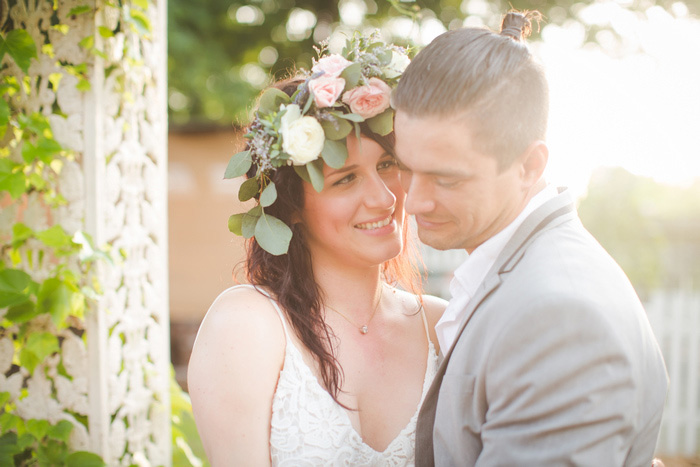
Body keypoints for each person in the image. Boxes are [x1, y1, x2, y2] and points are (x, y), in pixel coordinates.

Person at [391, 11, 669, 466]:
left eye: (446, 179)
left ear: (529, 167)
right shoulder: (520, 272)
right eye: (406, 168)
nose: (414, 201)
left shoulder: (560, 318)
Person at [188, 33, 446, 466]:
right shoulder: (249, 326)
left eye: (387, 166)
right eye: (346, 178)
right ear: (291, 210)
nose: (384, 198)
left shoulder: (443, 326)